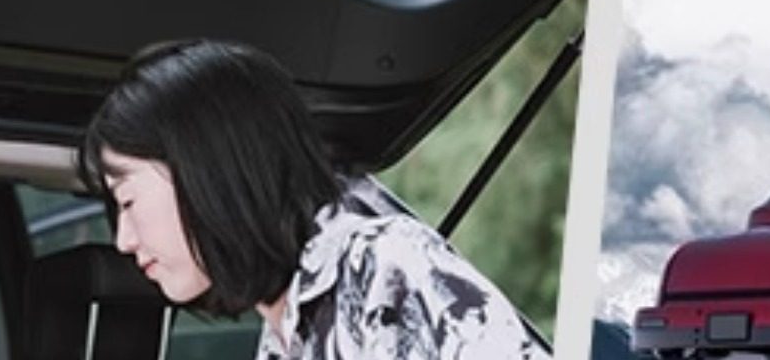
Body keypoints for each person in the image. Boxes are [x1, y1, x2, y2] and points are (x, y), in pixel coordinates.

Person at [85, 38, 542, 360]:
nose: (124, 240)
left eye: (128, 201)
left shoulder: (385, 269)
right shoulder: (281, 338)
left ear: (207, 171)